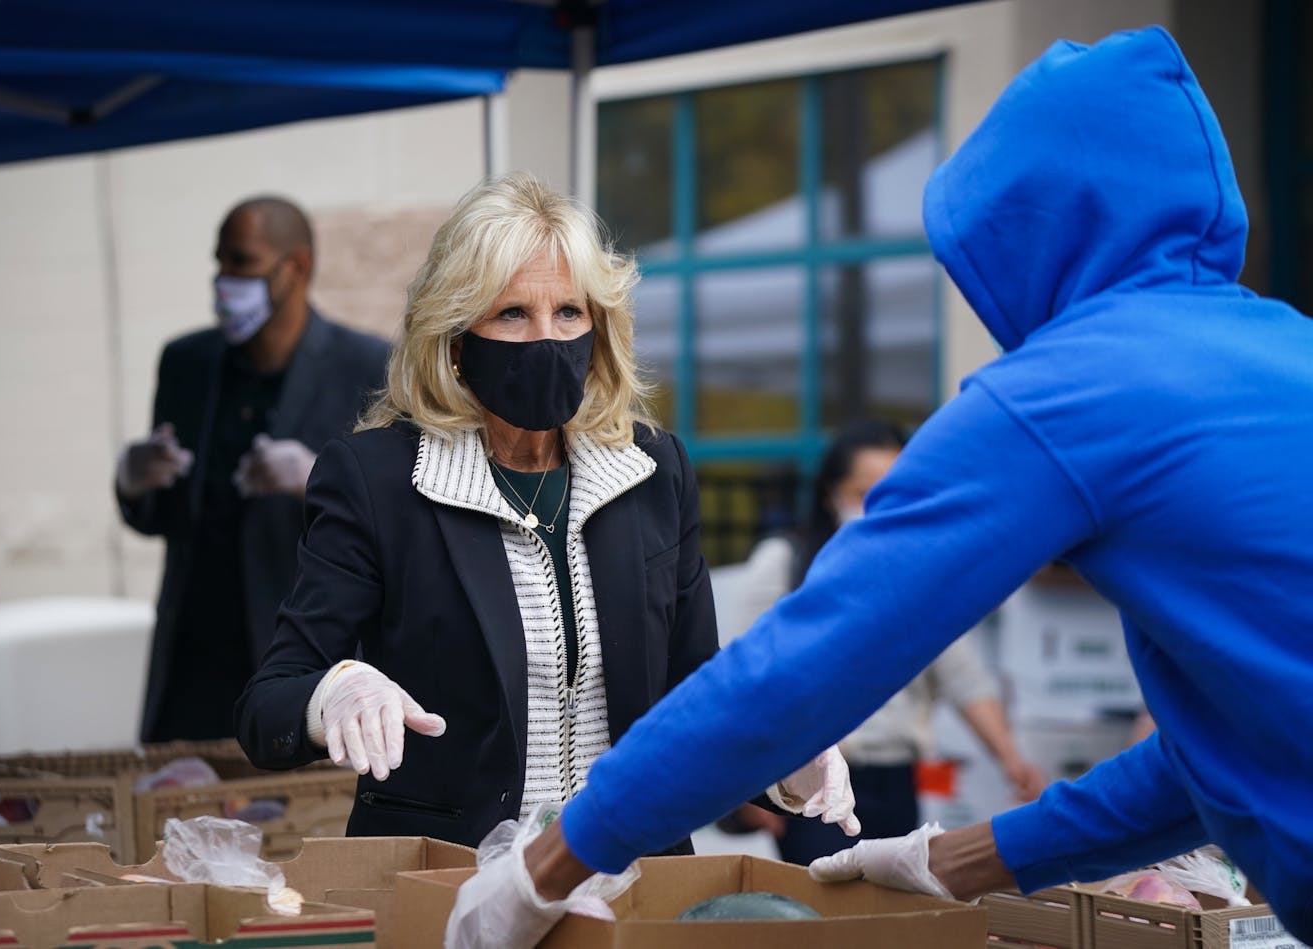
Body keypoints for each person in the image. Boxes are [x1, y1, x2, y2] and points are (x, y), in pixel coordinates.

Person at [445, 26, 1313, 947]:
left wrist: (548, 864)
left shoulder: (1075, 390)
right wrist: (955, 861)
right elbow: (1225, 754)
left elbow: (811, 661)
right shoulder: (1284, 348)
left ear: (1025, 232)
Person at [233, 173, 857, 850]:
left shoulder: (653, 470)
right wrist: (335, 692)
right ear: (455, 336)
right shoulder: (379, 480)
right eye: (511, 314)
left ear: (600, 323)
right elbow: (267, 706)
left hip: (625, 873)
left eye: (568, 311)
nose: (545, 338)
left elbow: (694, 689)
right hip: (450, 883)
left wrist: (781, 758)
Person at [116, 196, 390, 743]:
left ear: (298, 267)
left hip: (301, 655)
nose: (225, 281)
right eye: (219, 262)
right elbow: (162, 516)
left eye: (242, 262)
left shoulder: (365, 364)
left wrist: (312, 476)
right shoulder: (186, 362)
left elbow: (395, 520)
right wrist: (134, 477)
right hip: (195, 659)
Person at [721, 419, 1046, 865]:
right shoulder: (786, 564)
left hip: (897, 780)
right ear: (830, 493)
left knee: (892, 917)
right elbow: (742, 676)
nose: (877, 507)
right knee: (829, 922)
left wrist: (1012, 760)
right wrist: (737, 785)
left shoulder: (917, 573)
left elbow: (963, 677)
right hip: (817, 784)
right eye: (862, 493)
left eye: (893, 491)